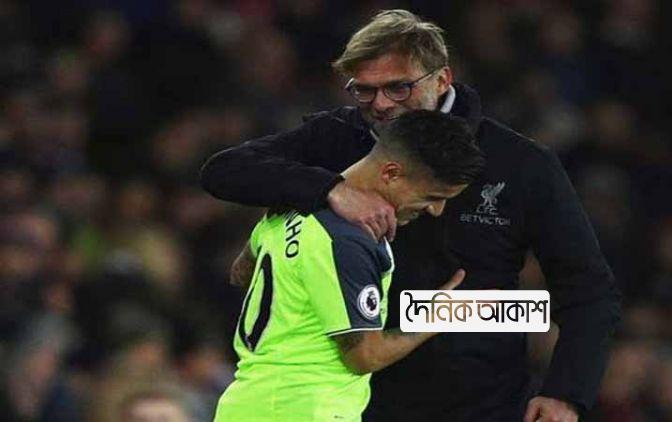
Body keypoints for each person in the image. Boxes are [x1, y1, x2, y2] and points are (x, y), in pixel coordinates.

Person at [201, 9, 621, 422]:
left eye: (398, 88)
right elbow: (223, 171)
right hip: (360, 394)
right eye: (364, 90)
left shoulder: (519, 163)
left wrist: (566, 392)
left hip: (480, 399)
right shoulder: (336, 138)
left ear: (442, 79)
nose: (381, 104)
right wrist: (331, 188)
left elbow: (587, 288)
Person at [213, 110, 485, 421]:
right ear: (391, 173)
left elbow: (242, 271)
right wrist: (439, 315)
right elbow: (364, 356)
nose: (436, 210)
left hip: (249, 402)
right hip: (305, 409)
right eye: (433, 196)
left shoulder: (294, 204)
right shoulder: (348, 240)